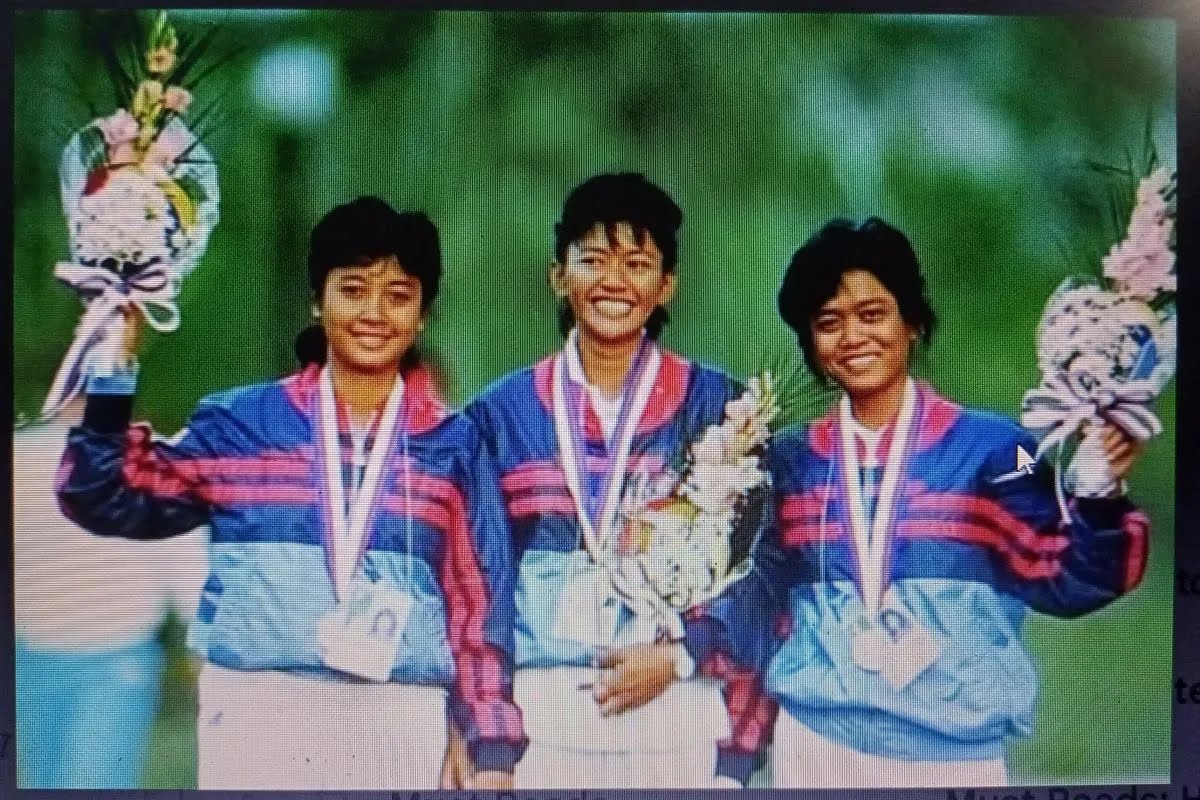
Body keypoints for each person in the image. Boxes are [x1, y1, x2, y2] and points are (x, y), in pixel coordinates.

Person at [55, 196, 527, 790]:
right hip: (256, 710)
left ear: (423, 314)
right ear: (317, 300)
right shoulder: (240, 424)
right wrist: (112, 365)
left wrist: (488, 739)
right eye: (352, 290)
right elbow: (102, 494)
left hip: (398, 714)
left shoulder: (454, 444)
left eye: (398, 295)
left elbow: (479, 602)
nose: (374, 313)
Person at [752, 216, 1149, 787]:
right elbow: (756, 597)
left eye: (872, 314)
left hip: (954, 755)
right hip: (814, 747)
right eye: (828, 323)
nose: (853, 337)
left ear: (912, 321)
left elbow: (1068, 572)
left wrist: (1098, 487)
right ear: (811, 343)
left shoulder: (1002, 448)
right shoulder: (788, 461)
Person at [461, 173, 775, 789]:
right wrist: (490, 732)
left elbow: (763, 572)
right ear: (558, 275)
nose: (613, 282)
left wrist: (682, 654)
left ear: (666, 285)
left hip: (676, 700)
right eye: (593, 260)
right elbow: (476, 583)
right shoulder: (499, 416)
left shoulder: (720, 410)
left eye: (637, 264)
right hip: (540, 705)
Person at [14, 397, 208, 789]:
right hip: (41, 655)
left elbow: (184, 558)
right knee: (59, 781)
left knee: (82, 779)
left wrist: (201, 644)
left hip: (111, 653)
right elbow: (187, 563)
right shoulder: (22, 458)